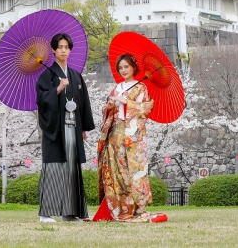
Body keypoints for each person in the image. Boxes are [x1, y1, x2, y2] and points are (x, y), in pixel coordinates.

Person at [95, 53, 164, 222]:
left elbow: (146, 109)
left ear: (133, 67)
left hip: (133, 135)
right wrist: (109, 106)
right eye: (120, 68)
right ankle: (119, 206)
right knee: (115, 170)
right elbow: (106, 110)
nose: (123, 70)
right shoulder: (116, 87)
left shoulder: (141, 87)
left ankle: (138, 207)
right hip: (115, 133)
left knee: (133, 170)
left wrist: (126, 102)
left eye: (126, 66)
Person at [35, 32, 94, 223]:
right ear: (53, 50)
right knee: (54, 167)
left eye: (66, 47)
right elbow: (42, 101)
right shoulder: (46, 75)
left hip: (73, 128)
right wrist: (58, 89)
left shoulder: (76, 76)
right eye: (59, 47)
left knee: (72, 168)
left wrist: (83, 128)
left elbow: (83, 103)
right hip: (56, 130)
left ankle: (70, 213)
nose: (63, 50)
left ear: (70, 50)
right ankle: (46, 213)